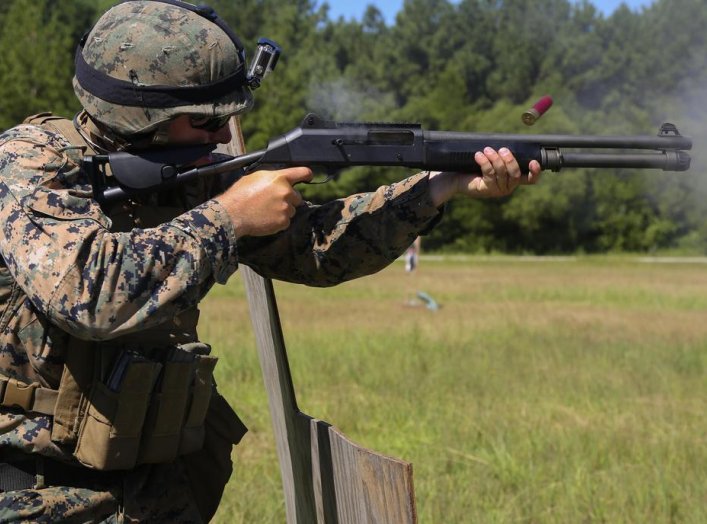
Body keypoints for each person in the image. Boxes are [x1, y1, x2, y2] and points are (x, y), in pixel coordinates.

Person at [0, 1, 542, 521]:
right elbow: (89, 295)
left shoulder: (193, 174)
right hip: (38, 493)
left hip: (151, 492)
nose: (221, 136)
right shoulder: (27, 164)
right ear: (143, 115)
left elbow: (318, 249)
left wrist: (434, 189)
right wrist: (228, 216)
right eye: (207, 122)